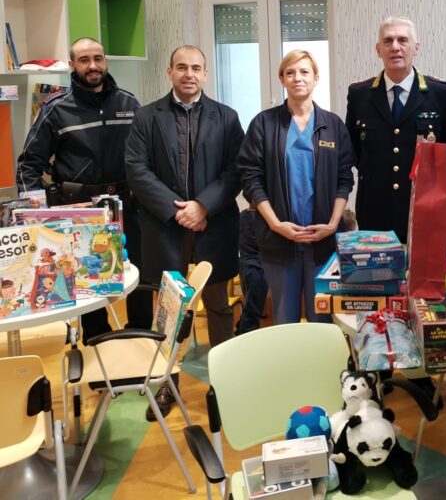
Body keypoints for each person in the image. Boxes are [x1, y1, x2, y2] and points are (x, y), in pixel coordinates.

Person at [125, 45, 244, 419]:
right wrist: (179, 212)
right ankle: (166, 385)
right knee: (170, 311)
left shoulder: (227, 118)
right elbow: (136, 170)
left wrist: (203, 205)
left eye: (196, 68)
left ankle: (224, 381)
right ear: (169, 72)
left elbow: (236, 170)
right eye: (181, 67)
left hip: (214, 225)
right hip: (165, 227)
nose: (189, 73)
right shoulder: (146, 117)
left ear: (205, 74)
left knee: (218, 307)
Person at [16, 37, 152, 340]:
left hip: (127, 204)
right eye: (84, 60)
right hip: (80, 209)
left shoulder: (129, 103)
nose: (93, 66)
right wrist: (35, 213)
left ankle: (141, 335)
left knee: (140, 272)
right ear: (72, 65)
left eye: (98, 58)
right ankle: (96, 339)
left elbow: (147, 154)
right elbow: (28, 164)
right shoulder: (56, 109)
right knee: (89, 279)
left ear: (106, 61)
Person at [238, 50, 354, 325]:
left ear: (316, 78)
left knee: (323, 320)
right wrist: (277, 225)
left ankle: (324, 370)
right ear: (282, 79)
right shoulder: (264, 124)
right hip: (279, 241)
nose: (297, 78)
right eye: (290, 72)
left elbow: (344, 178)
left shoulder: (332, 125)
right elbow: (251, 179)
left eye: (304, 72)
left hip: (323, 241)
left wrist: (332, 224)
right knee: (285, 321)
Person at [345, 17, 446, 244]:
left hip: (425, 210)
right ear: (378, 49)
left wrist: (426, 183)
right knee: (377, 277)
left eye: (403, 40)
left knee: (422, 278)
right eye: (388, 41)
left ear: (416, 47)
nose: (395, 47)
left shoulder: (440, 93)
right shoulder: (359, 94)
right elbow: (353, 150)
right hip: (374, 210)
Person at [235, 197, 268, 335]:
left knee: (251, 302)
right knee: (253, 306)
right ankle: (246, 331)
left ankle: (243, 328)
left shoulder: (241, 216)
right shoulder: (261, 220)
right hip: (255, 268)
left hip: (245, 266)